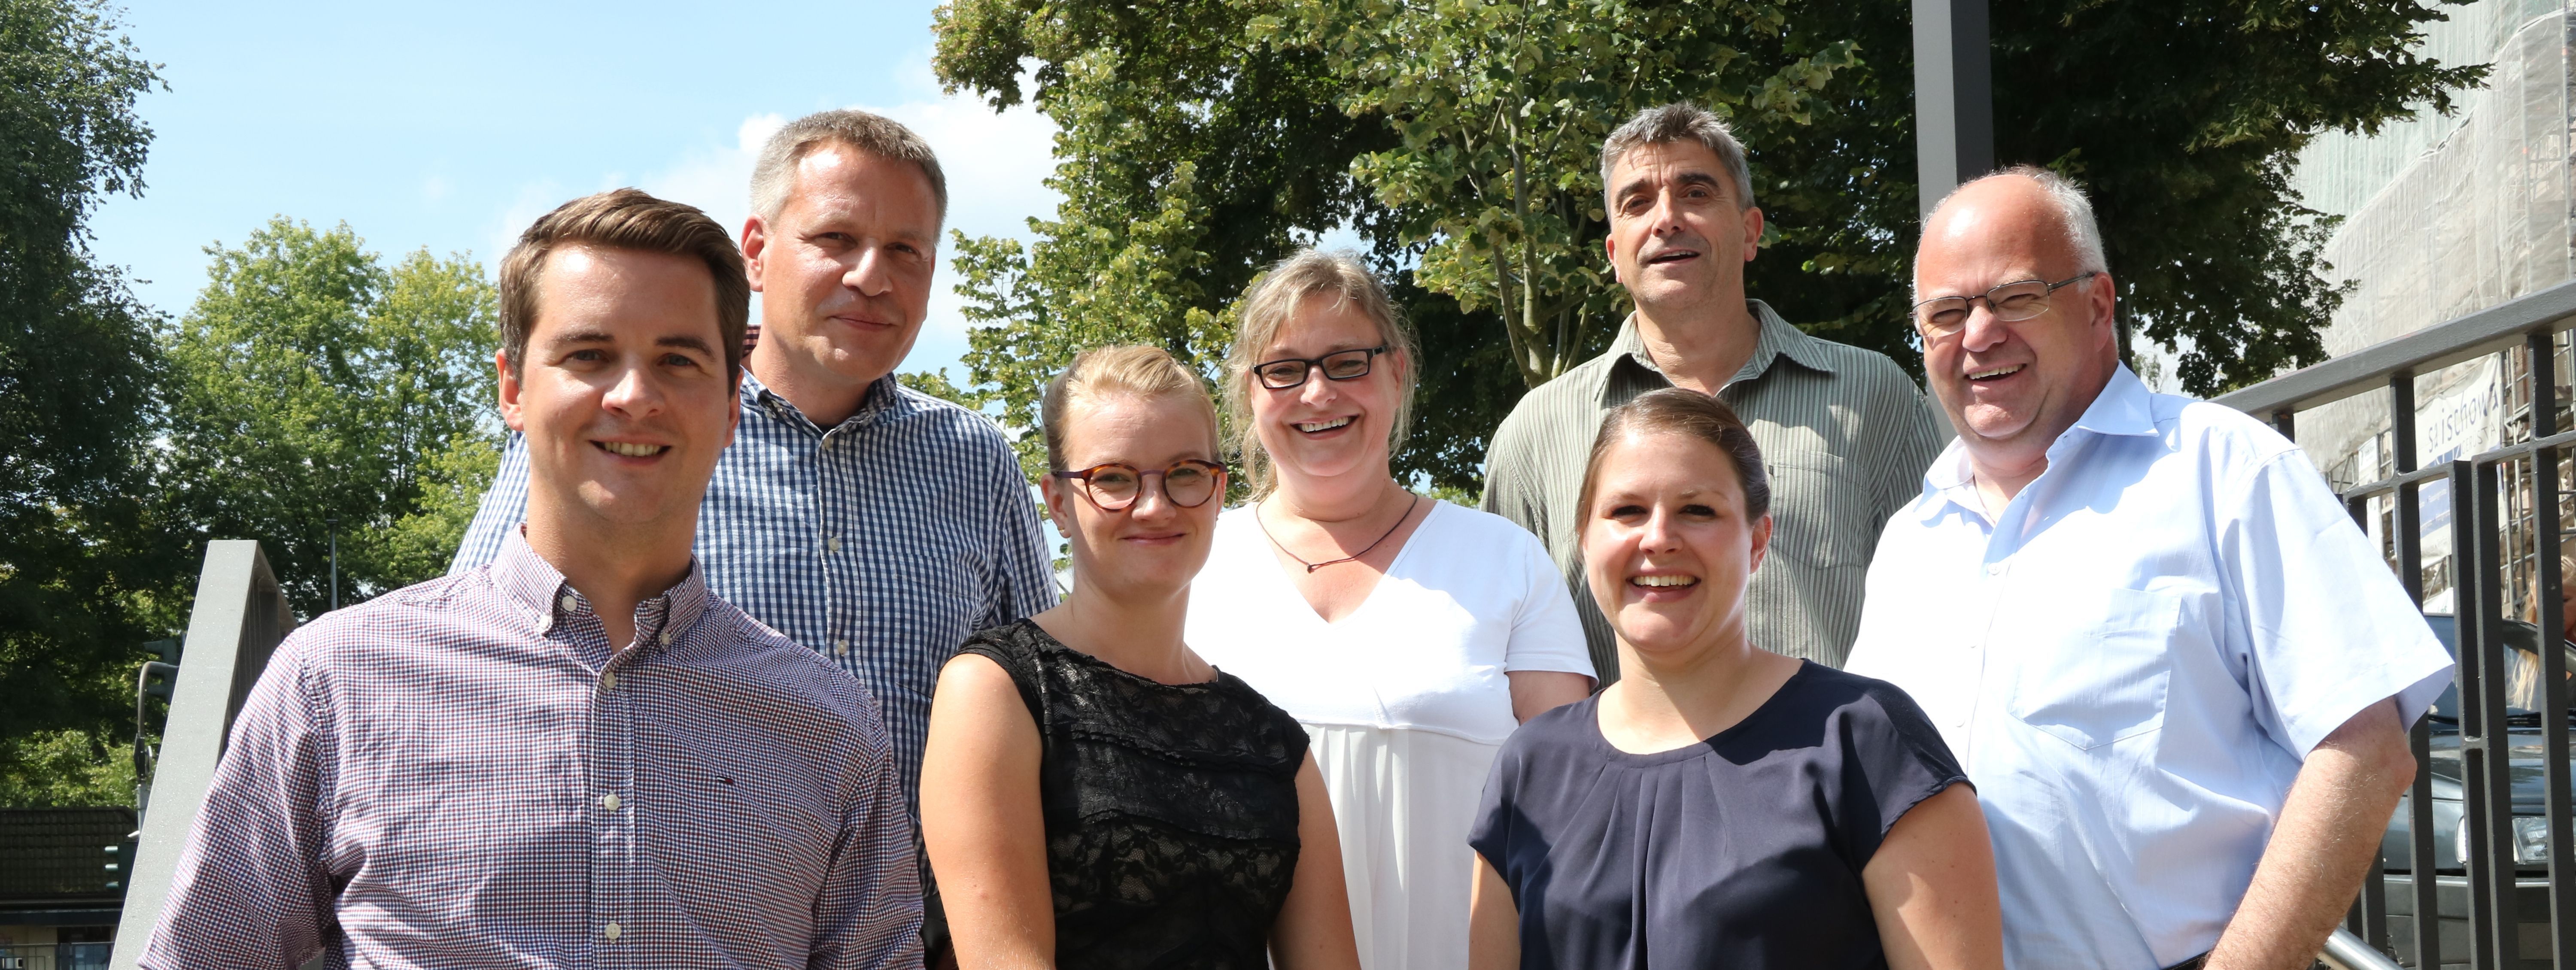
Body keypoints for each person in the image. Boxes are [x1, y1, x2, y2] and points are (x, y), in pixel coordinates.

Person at [142, 189, 922, 968]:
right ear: (513, 389)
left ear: (729, 410)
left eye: (677, 361)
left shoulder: (828, 724)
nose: (634, 396)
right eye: (589, 356)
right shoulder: (336, 681)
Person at [1843, 167, 2454, 970]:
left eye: (2016, 297)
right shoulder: (1909, 543)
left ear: (2099, 305)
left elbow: (2366, 750)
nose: (1979, 335)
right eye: (1947, 314)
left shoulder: (2225, 471)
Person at [450, 109, 1056, 800]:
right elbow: (477, 658)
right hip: (684, 896)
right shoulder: (630, 439)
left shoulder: (976, 462)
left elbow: (1041, 703)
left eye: (905, 251)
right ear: (757, 251)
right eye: (837, 238)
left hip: (930, 907)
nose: (872, 276)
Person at [1467, 388, 2002, 970]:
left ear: (1757, 541)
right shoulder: (1531, 767)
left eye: (1698, 511)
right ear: (1585, 540)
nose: (1659, 538)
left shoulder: (1868, 744)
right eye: (1626, 511)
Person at [1184, 249, 1595, 970]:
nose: (1317, 393)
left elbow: (1576, 813)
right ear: (1248, 394)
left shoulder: (1506, 560)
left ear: (1397, 372)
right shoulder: (1186, 568)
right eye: (1284, 369)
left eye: (1347, 362)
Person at [919, 346, 1364, 970]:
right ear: (1057, 503)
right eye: (1115, 479)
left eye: (1184, 472)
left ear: (1217, 492)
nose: (1154, 506)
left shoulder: (1273, 745)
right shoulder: (998, 691)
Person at [1483, 102, 1943, 679]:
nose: (1666, 219)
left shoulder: (1873, 398)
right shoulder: (1536, 433)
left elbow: (1946, 605)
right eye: (1637, 203)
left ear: (1751, 232)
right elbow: (1506, 649)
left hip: (1835, 764)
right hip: (1618, 767)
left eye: (1696, 193)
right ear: (1615, 257)